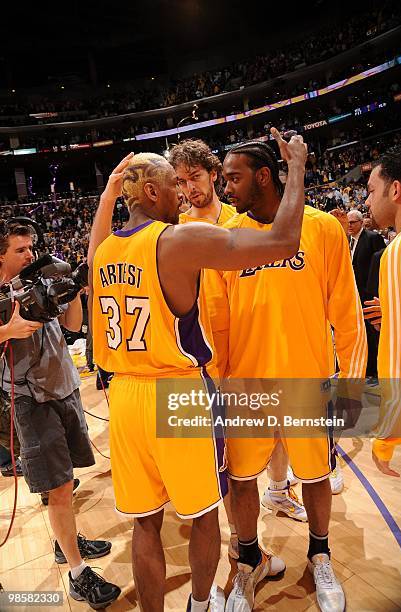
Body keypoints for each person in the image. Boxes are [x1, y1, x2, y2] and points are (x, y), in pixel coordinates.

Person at [88, 129, 307, 612]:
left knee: (146, 523)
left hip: (123, 400)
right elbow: (285, 240)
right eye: (173, 185)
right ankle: (202, 604)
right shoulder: (176, 239)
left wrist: (107, 197)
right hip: (177, 390)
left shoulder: (103, 253)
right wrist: (295, 173)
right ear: (150, 192)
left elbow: (91, 253)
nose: (182, 195)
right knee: (204, 514)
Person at [218, 139, 367, 612]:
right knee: (242, 481)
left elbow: (346, 311)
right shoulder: (226, 236)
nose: (226, 186)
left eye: (233, 176)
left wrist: (354, 383)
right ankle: (248, 561)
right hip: (245, 386)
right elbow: (217, 320)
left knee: (316, 474)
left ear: (265, 175)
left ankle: (319, 554)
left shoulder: (322, 227)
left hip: (308, 379)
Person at [169, 139, 307, 548]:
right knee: (228, 457)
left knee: (279, 431)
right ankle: (242, 543)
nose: (189, 188)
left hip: (255, 339)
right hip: (205, 351)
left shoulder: (239, 215)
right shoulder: (175, 229)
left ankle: (279, 489)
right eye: (181, 181)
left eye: (195, 177)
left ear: (213, 174)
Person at [0, 223, 120, 610]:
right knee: (60, 485)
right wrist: (8, 329)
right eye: (20, 250)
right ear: (1, 255)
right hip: (31, 399)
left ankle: (63, 539)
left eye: (31, 247)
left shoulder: (39, 280)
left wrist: (73, 291)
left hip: (65, 387)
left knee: (63, 481)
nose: (30, 255)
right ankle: (76, 572)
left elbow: (71, 326)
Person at [364, 147, 401, 477]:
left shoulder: (397, 251)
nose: (366, 202)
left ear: (396, 190)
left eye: (371, 191)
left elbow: (400, 358)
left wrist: (386, 435)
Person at [347, 209, 386, 379]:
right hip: (355, 294)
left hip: (370, 294)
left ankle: (376, 368)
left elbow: (382, 263)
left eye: (352, 222)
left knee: (373, 332)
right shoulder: (349, 241)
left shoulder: (372, 238)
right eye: (348, 222)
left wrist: (377, 292)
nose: (349, 225)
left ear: (361, 222)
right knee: (361, 333)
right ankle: (366, 367)